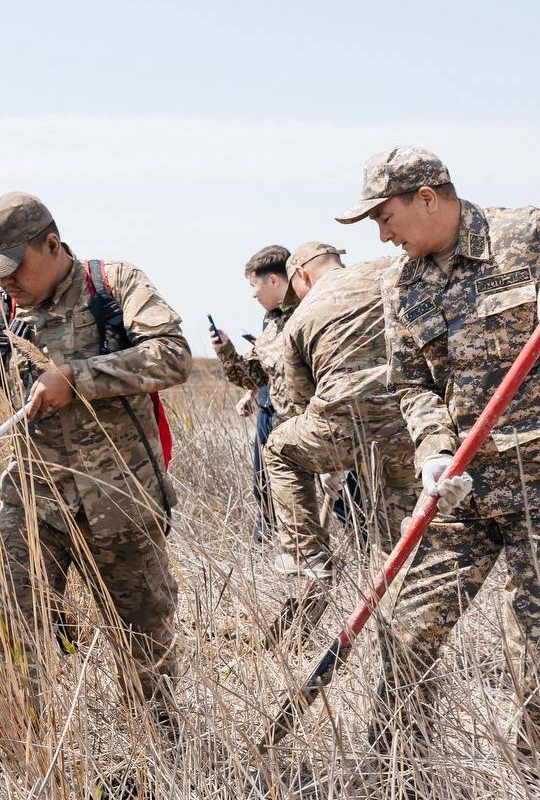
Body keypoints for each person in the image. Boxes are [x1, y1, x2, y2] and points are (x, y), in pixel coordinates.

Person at [0, 192, 191, 738]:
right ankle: (29, 760)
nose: (3, 282)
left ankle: (160, 764)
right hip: (34, 509)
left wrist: (78, 378)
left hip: (123, 504)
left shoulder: (116, 285)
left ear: (51, 244)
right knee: (11, 641)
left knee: (144, 650)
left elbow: (173, 356)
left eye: (13, 268)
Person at [337, 146, 540, 764]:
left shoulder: (526, 236)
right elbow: (413, 383)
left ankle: (530, 771)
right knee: (408, 629)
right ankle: (399, 767)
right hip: (462, 490)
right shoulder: (401, 285)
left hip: (538, 483)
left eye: (384, 215)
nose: (381, 232)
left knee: (534, 646)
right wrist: (434, 452)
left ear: (427, 197)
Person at [261, 241, 417, 645]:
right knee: (393, 535)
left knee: (279, 448)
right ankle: (399, 632)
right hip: (407, 422)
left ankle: (309, 560)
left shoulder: (298, 319)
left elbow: (296, 399)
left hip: (341, 429)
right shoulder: (390, 271)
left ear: (301, 276)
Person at [211, 245, 298, 541]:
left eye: (254, 285)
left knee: (336, 496)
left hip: (302, 420)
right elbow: (260, 372)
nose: (252, 295)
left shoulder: (307, 314)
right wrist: (226, 350)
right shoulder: (270, 319)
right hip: (269, 413)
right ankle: (267, 545)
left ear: (273, 280)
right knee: (263, 488)